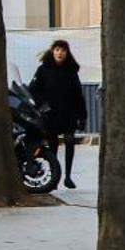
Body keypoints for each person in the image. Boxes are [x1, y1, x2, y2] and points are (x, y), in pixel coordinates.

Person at [29, 40, 87, 188]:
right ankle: (54, 178)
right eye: (57, 50)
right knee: (52, 144)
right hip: (50, 114)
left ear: (67, 53)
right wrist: (42, 106)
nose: (60, 53)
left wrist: (82, 116)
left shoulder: (71, 71)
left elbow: (78, 95)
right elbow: (33, 89)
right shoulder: (43, 69)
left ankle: (68, 176)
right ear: (52, 52)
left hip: (68, 114)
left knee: (69, 140)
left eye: (63, 50)